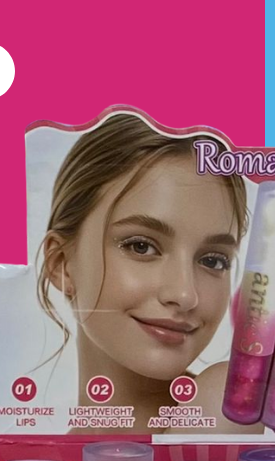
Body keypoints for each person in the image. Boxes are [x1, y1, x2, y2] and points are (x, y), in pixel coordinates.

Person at [37, 113, 257, 432]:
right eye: (141, 246)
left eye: (213, 261)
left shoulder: (226, 406)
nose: (184, 294)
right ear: (62, 264)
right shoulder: (33, 459)